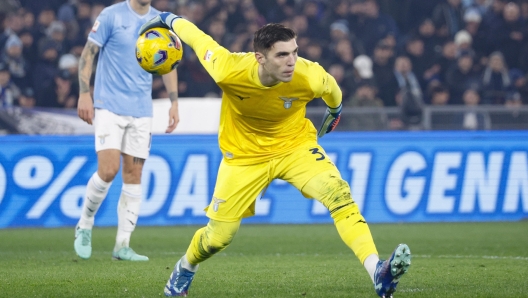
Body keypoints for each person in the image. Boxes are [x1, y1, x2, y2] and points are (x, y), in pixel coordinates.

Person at [140, 12, 411, 297]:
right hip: (244, 156)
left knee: (338, 194)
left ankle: (377, 272)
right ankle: (185, 268)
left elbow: (333, 91)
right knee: (217, 239)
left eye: (294, 52)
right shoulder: (228, 69)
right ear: (260, 58)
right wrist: (166, 18)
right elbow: (197, 38)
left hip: (294, 146)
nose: (291, 61)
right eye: (282, 55)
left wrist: (334, 114)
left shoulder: (308, 75)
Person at [74, 0, 179, 261]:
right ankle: (85, 223)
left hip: (142, 110)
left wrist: (174, 102)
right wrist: (84, 93)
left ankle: (122, 245)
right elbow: (89, 53)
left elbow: (168, 63)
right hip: (109, 106)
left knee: (134, 174)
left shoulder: (160, 21)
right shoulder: (111, 15)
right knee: (108, 170)